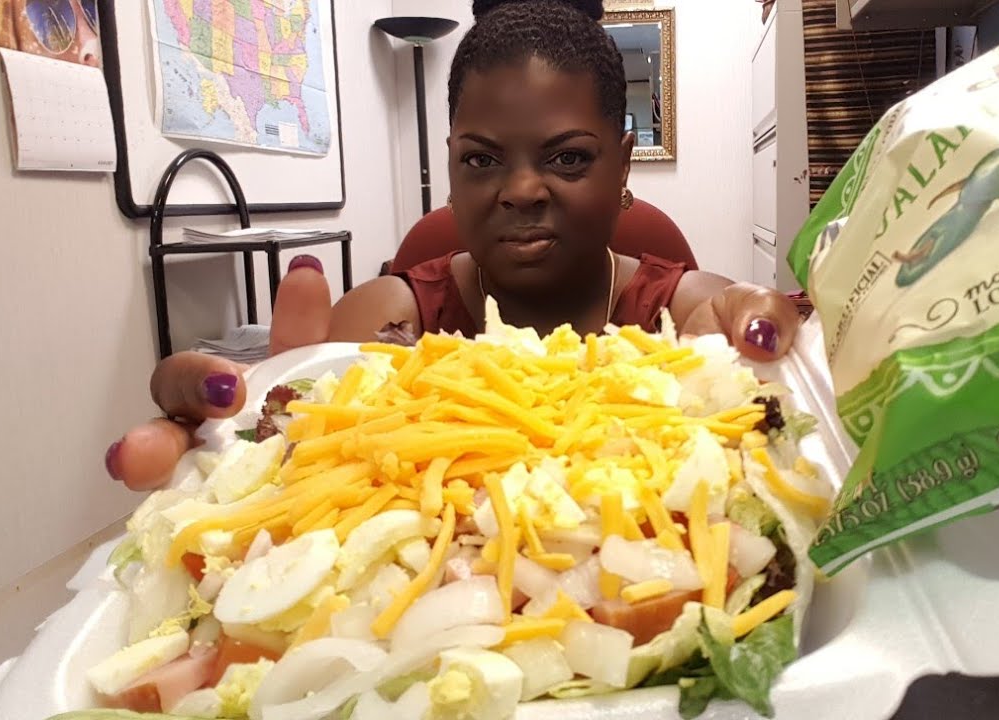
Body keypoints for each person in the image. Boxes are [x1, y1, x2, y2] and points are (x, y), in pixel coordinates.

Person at [105, 0, 802, 491]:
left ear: (623, 164)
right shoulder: (391, 321)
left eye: (566, 159)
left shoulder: (677, 316)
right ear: (449, 165)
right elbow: (303, 448)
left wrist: (779, 349)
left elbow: (733, 317)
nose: (522, 190)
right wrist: (244, 442)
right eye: (482, 160)